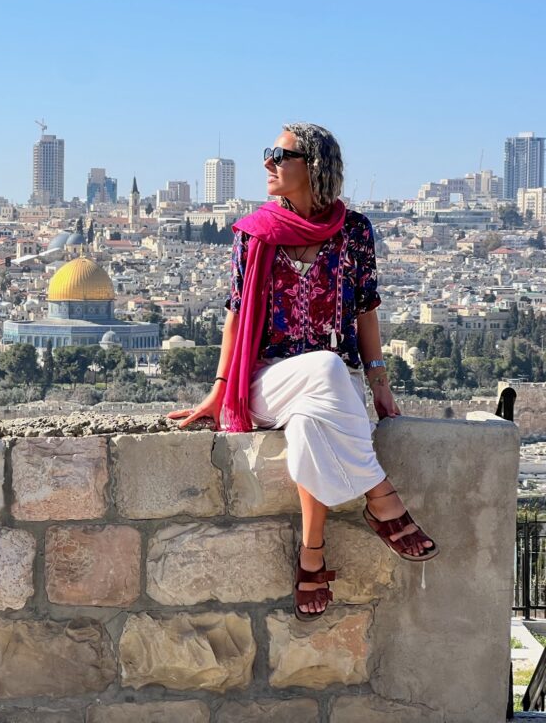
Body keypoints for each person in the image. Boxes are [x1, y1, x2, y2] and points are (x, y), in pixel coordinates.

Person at [167, 123, 438, 621]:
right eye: (268, 154)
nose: (267, 163)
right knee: (325, 371)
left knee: (317, 413)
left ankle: (311, 556)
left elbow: (365, 311)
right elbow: (235, 314)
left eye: (279, 155)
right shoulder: (254, 234)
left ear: (312, 166)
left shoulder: (354, 231)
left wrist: (380, 382)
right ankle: (381, 498)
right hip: (269, 380)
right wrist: (221, 389)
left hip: (332, 382)